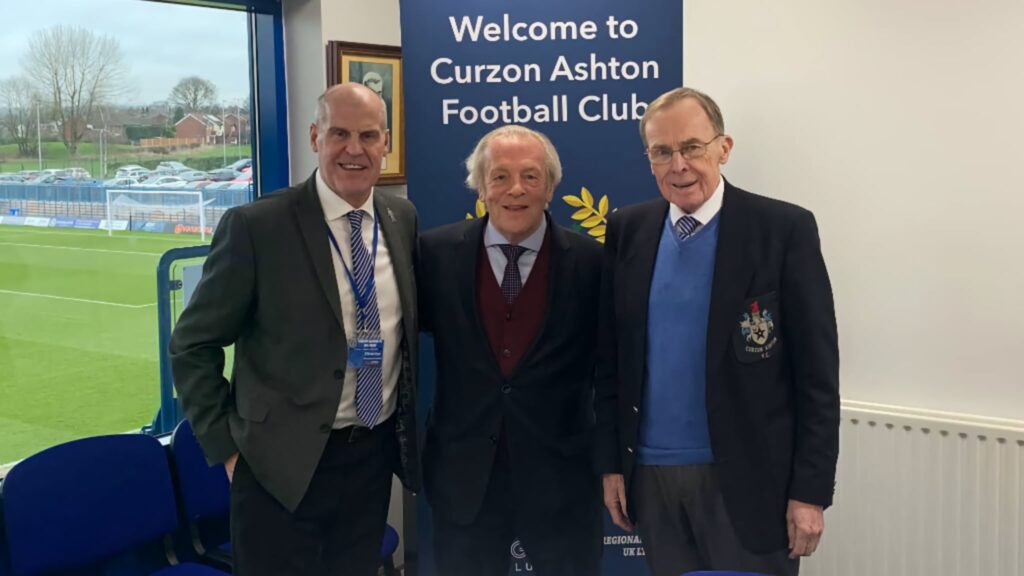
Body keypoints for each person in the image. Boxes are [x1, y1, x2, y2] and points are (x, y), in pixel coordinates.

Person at [169, 82, 419, 576]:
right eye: (339, 133)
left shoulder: (400, 217)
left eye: (369, 135)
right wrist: (227, 448)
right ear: (314, 136)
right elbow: (191, 344)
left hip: (370, 457)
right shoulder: (258, 227)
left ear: (386, 141)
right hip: (276, 469)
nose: (355, 149)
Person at [595, 87, 840, 576]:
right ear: (649, 159)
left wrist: (810, 493)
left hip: (750, 480)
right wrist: (611, 464)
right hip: (651, 476)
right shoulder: (628, 230)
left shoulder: (782, 229)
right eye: (662, 152)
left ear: (723, 149)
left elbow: (817, 376)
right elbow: (611, 362)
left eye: (692, 147)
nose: (678, 164)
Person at [418, 125, 603, 576]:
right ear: (480, 187)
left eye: (530, 176)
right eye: (499, 176)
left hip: (562, 478)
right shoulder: (433, 254)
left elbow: (613, 372)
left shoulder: (594, 263)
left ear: (552, 187)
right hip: (464, 478)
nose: (515, 190)